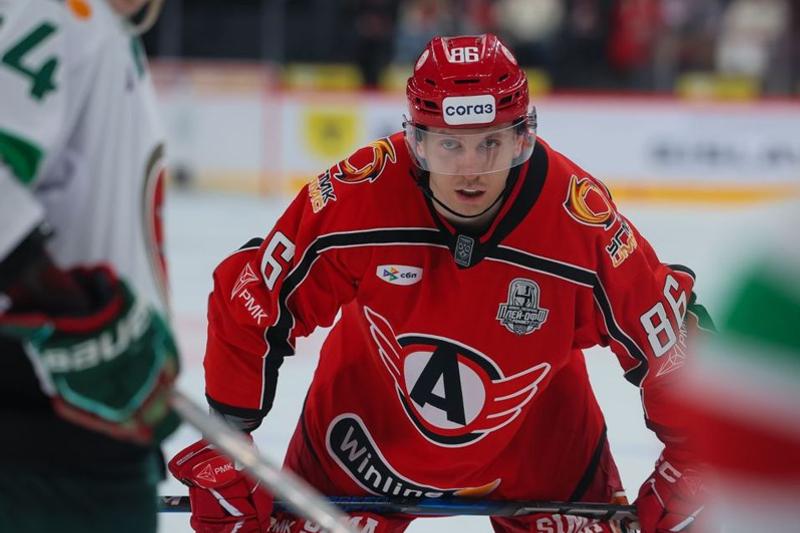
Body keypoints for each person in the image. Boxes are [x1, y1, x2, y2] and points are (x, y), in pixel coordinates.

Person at [169, 34, 712, 533]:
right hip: (363, 438)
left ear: (521, 139)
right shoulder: (361, 193)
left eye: (490, 143)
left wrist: (693, 459)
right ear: (418, 142)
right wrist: (228, 438)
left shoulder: (579, 221)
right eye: (450, 144)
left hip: (540, 445)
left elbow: (666, 331)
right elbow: (255, 296)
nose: (470, 169)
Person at [0, 1, 179, 532]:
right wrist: (64, 306)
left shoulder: (104, 27)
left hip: (87, 439)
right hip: (46, 450)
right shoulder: (51, 12)